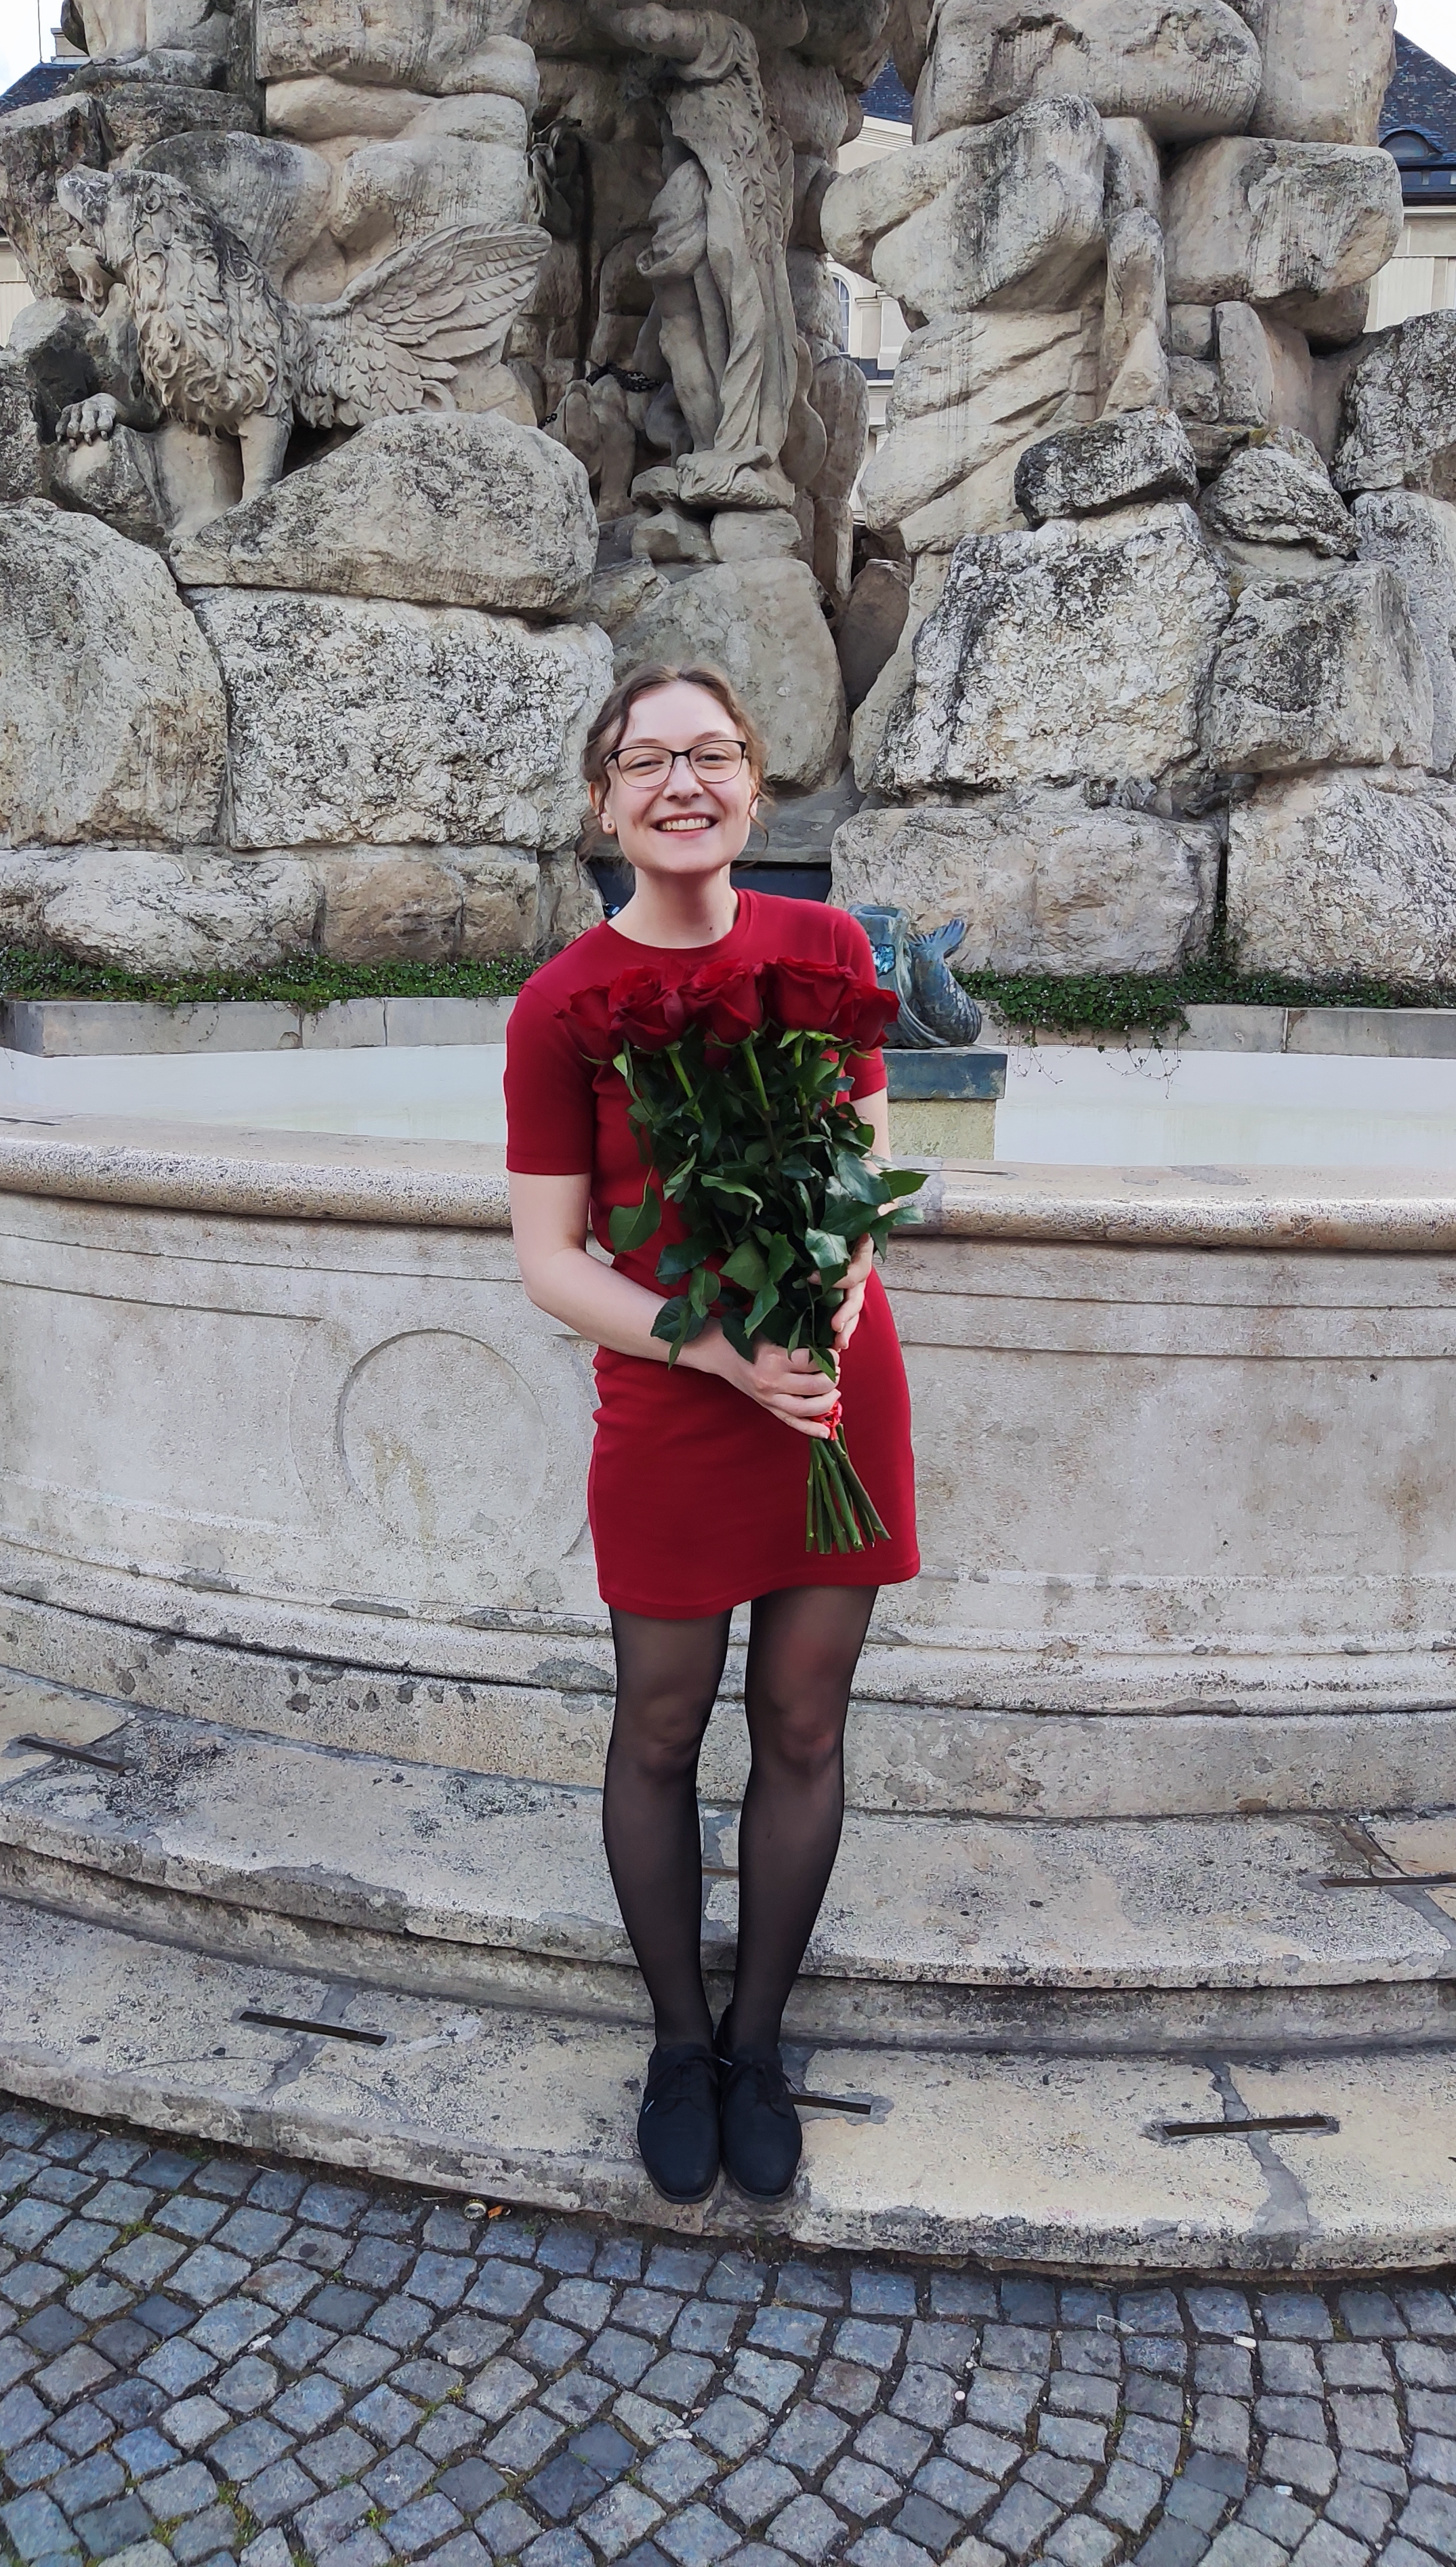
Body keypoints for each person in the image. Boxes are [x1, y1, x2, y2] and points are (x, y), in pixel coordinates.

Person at [504, 661, 919, 2205]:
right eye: (648, 760)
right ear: (603, 799)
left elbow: (863, 1171)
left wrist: (828, 1307)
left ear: (754, 782)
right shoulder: (561, 1003)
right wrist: (726, 1351)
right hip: (678, 1397)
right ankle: (679, 2041)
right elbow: (551, 1261)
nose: (684, 783)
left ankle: (757, 2044)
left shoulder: (828, 948)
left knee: (805, 1723)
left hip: (827, 1385)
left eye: (715, 754)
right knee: (663, 1724)